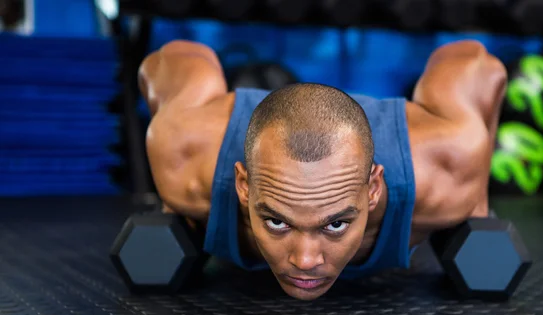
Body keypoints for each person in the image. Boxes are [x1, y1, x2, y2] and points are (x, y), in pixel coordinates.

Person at [138, 39, 507, 301]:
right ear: (243, 185)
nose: (306, 261)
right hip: (229, 131)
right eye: (277, 222)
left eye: (335, 224)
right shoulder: (183, 158)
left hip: (411, 140)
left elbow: (477, 63)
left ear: (374, 188)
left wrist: (477, 205)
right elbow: (173, 57)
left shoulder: (446, 173)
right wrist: (174, 209)